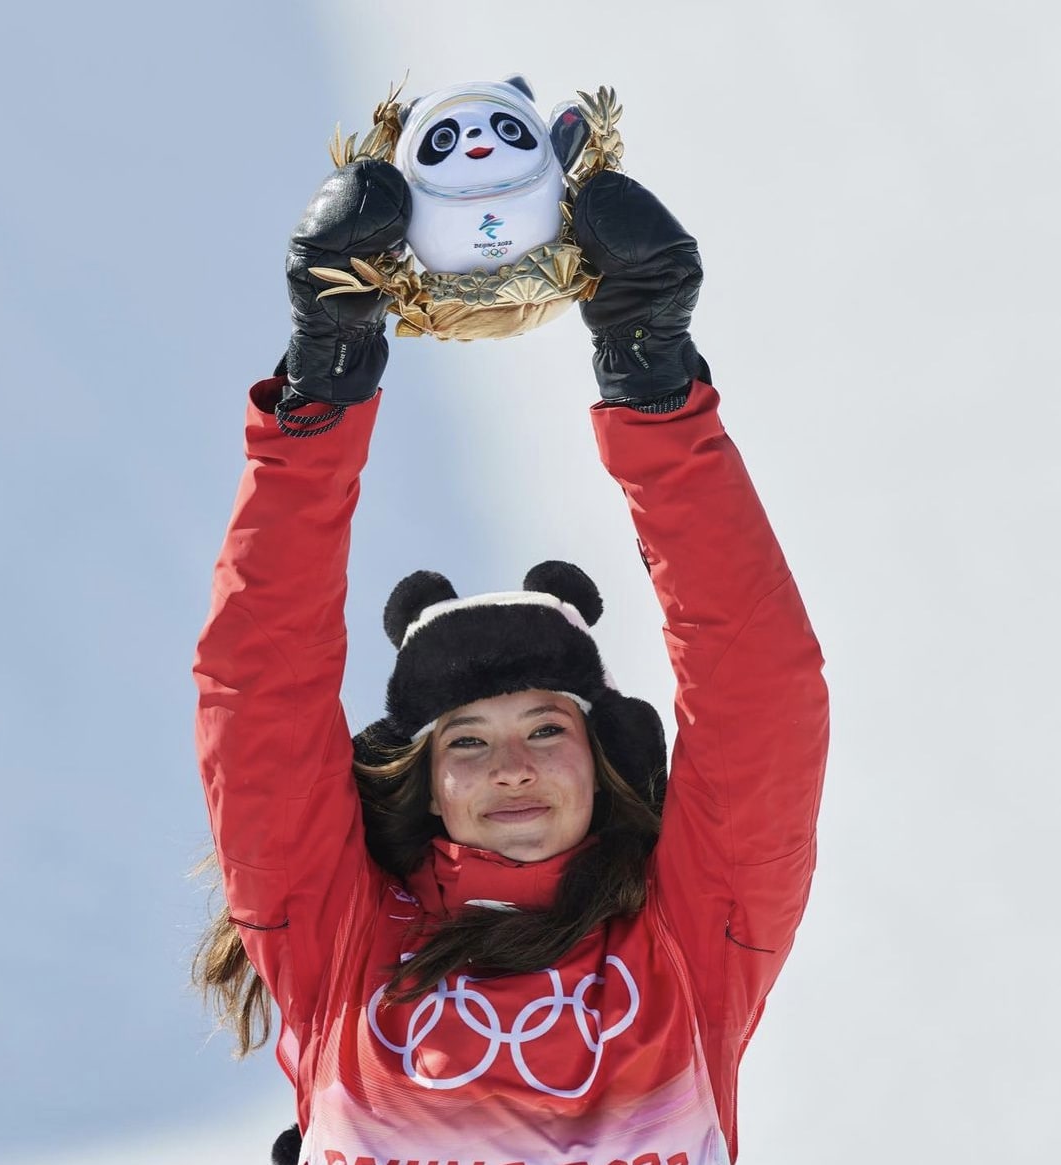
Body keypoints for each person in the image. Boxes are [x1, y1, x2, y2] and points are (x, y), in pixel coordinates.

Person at [193, 156, 829, 1165]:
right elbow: (259, 695)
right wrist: (324, 379)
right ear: (426, 784)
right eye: (470, 742)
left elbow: (763, 695)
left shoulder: (689, 947)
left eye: (545, 726)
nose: (512, 766)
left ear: (601, 755)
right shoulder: (342, 946)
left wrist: (653, 379)